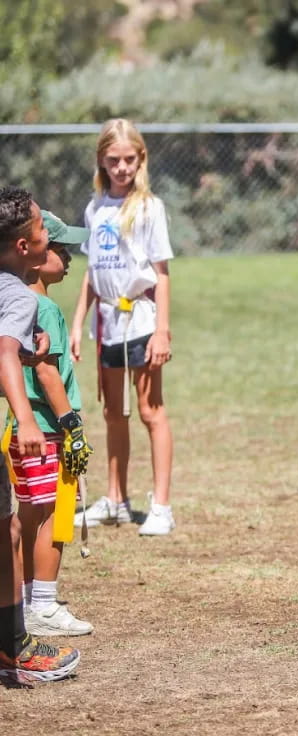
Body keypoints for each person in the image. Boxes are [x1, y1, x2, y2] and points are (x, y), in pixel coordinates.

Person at [70, 118, 176, 536]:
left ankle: (162, 506)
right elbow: (92, 272)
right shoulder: (95, 208)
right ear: (101, 160)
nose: (122, 168)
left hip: (142, 322)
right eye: (113, 160)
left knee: (150, 412)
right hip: (107, 324)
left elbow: (161, 273)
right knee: (114, 413)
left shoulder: (149, 207)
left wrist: (162, 330)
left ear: (141, 159)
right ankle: (115, 499)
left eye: (129, 159)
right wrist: (77, 323)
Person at [0, 185, 80, 683]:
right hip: (22, 426)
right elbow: (3, 353)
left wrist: (29, 354)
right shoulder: (16, 295)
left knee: (8, 529)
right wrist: (27, 418)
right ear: (26, 248)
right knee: (6, 531)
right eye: (41, 229)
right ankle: (14, 646)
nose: (49, 234)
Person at [13, 211, 95, 637]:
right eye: (61, 251)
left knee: (30, 513)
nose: (68, 259)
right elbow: (47, 372)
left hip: (21, 429)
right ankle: (43, 606)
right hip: (47, 429)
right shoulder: (44, 307)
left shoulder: (15, 301)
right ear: (35, 256)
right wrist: (72, 426)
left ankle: (28, 598)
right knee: (54, 515)